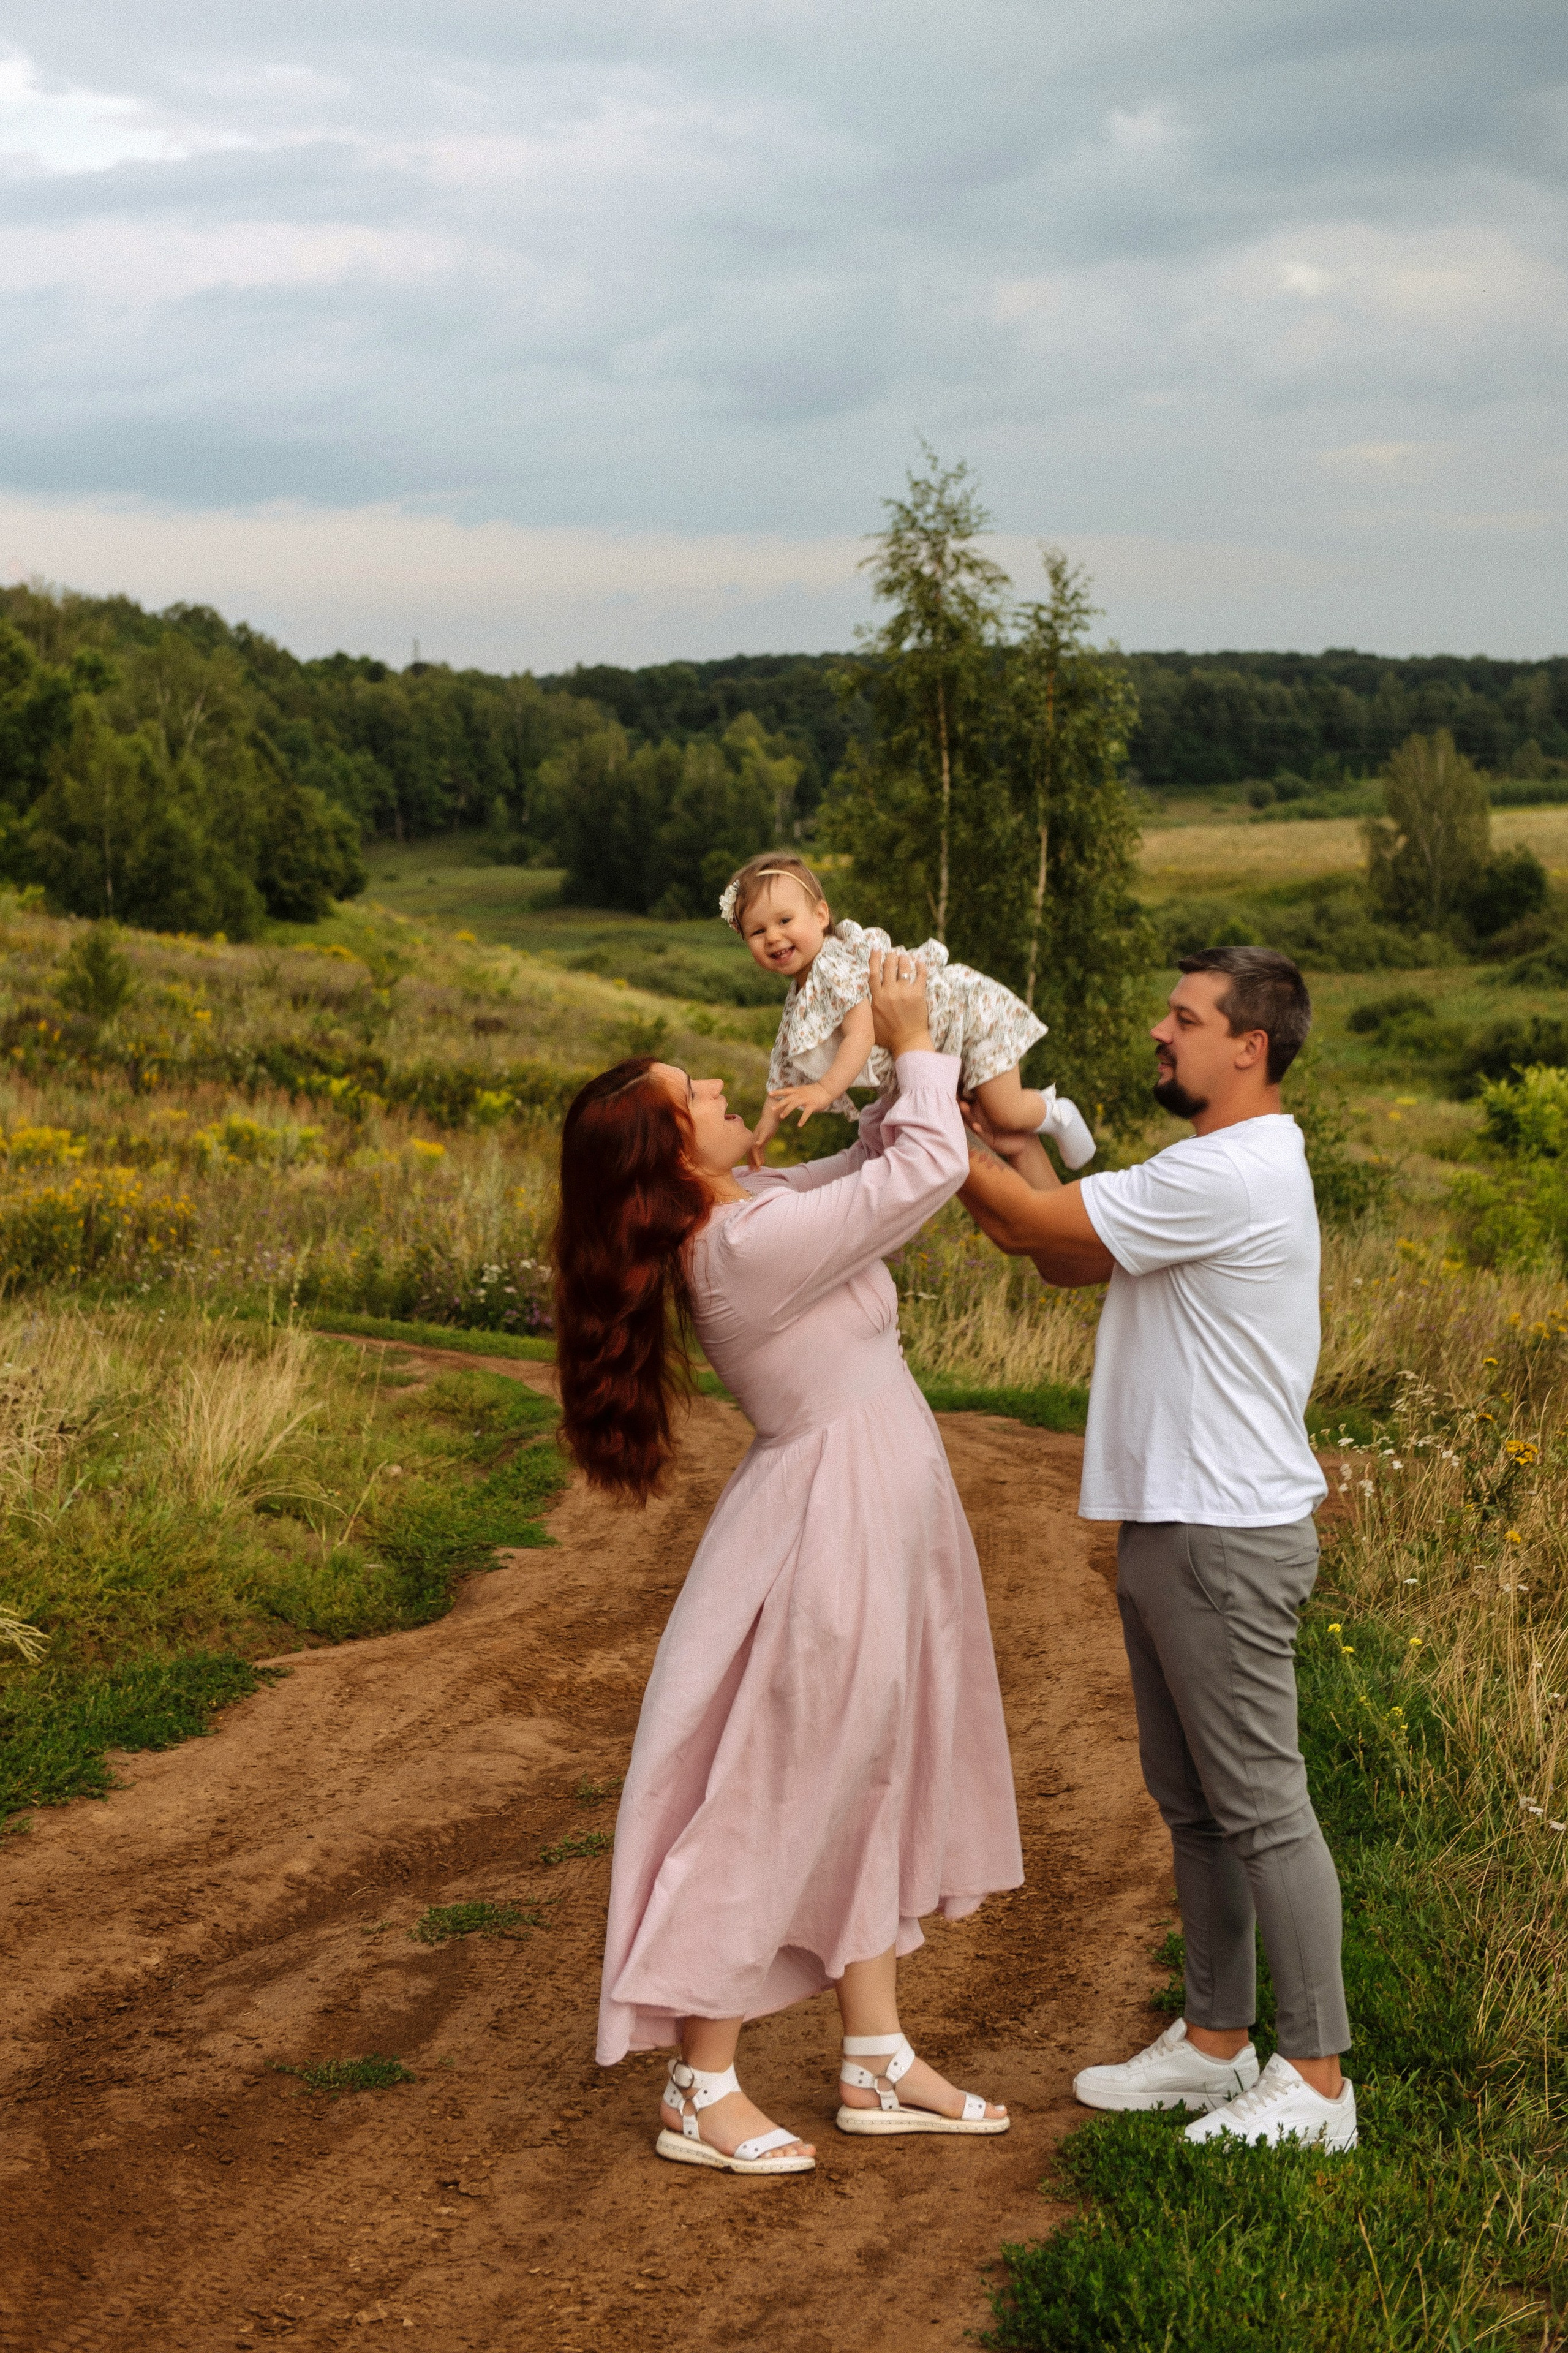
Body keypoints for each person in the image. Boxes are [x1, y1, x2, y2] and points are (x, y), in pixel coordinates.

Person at [553, 949, 1022, 2178]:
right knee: (772, 1793)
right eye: (693, 1096)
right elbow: (921, 1173)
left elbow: (873, 1165)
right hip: (827, 1529)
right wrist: (912, 1045)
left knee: (869, 1776)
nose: (719, 1088)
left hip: (874, 1512)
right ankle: (699, 2083)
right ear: (668, 1159)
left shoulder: (752, 1208)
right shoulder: (739, 1248)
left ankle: (875, 2059)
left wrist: (883, 1070)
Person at [959, 946, 1357, 2154]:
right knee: (1196, 1808)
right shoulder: (1215, 1167)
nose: (1158, 1031)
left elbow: (1027, 1224)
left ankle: (1317, 2083)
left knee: (1261, 1807)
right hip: (1177, 1522)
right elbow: (1058, 1250)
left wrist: (921, 1100)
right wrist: (989, 1132)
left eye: (1183, 1018)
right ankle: (1214, 2044)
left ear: (1249, 1045)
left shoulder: (1230, 1170)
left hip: (1221, 1533)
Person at [718, 851, 1096, 1172]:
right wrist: (768, 1119)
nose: (773, 937)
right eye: (757, 932)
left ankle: (1057, 1112)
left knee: (1005, 1112)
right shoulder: (802, 993)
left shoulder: (834, 965)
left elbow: (862, 1034)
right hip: (933, 1044)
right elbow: (786, 1060)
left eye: (785, 921)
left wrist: (824, 1089)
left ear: (820, 916)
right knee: (973, 1126)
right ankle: (1042, 1197)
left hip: (969, 1017)